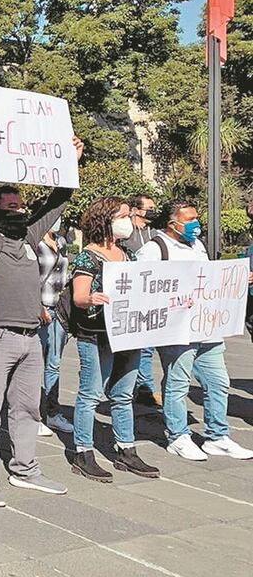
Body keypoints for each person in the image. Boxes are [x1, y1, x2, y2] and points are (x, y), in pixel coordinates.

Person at [0, 128, 82, 508]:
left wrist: (70, 165)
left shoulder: (29, 238)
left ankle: (26, 469)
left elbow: (56, 204)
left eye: (20, 205)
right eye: (12, 205)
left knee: (27, 408)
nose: (20, 209)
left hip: (31, 338)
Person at [136, 201, 253, 461]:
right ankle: (177, 436)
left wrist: (235, 279)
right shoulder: (154, 249)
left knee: (218, 382)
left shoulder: (198, 246)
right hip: (177, 332)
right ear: (172, 223)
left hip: (207, 327)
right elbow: (143, 287)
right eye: (189, 220)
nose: (195, 224)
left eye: (196, 218)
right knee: (177, 383)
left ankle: (217, 436)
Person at [68, 197, 159, 482]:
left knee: (123, 394)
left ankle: (126, 449)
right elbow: (79, 296)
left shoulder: (127, 255)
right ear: (104, 220)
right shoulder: (88, 257)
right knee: (91, 393)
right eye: (122, 215)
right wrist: (91, 298)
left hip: (127, 334)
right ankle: (83, 452)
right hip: (95, 335)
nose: (128, 220)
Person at [36, 218, 74, 437]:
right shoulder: (33, 242)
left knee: (54, 364)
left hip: (58, 310)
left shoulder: (60, 241)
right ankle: (34, 415)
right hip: (39, 309)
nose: (57, 221)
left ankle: (52, 413)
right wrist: (36, 305)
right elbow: (31, 276)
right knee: (33, 365)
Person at [125, 194, 162, 409]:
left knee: (147, 348)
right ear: (135, 210)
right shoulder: (125, 233)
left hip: (152, 297)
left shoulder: (154, 234)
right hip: (132, 297)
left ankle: (144, 388)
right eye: (149, 208)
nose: (153, 211)